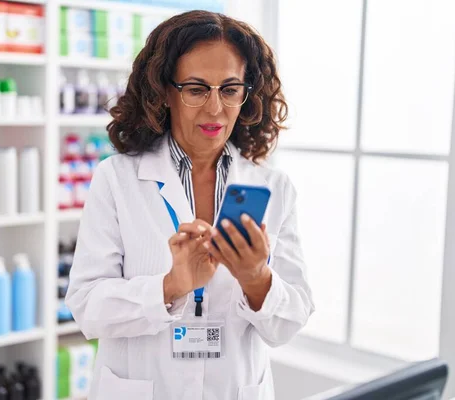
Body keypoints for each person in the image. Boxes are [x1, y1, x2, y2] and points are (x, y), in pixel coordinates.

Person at [65, 9, 315, 400]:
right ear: (165, 91)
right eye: (197, 89)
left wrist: (255, 278)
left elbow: (290, 319)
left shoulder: (273, 187)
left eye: (230, 89)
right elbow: (87, 308)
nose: (215, 109)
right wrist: (171, 286)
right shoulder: (116, 180)